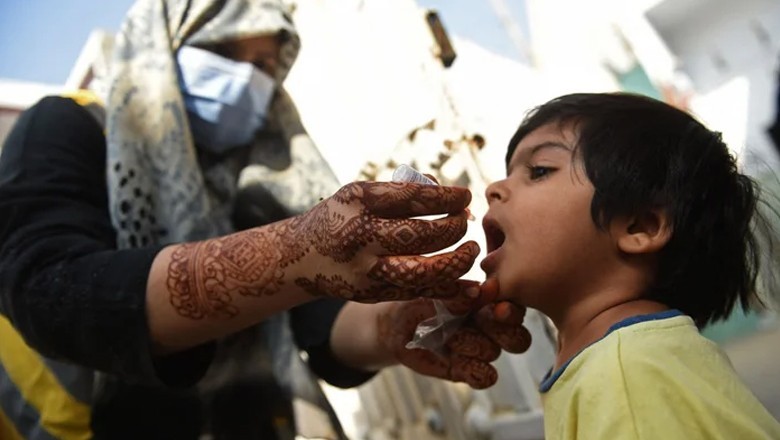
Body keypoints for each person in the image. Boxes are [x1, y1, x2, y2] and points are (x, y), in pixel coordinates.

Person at [0, 1, 529, 439]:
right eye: (228, 53)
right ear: (163, 44)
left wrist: (400, 327)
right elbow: (52, 292)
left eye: (267, 66)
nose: (249, 79)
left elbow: (318, 324)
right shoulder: (69, 124)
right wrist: (292, 255)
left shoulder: (262, 173)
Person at [481, 92, 780, 439]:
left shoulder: (625, 375)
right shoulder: (622, 363)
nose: (494, 189)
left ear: (640, 226)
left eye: (539, 171)